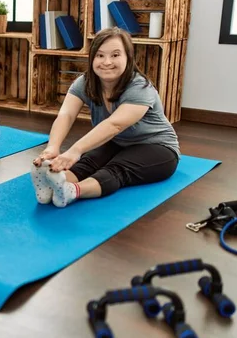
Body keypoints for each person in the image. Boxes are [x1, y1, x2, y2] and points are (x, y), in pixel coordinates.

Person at [31, 27, 180, 207]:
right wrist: (52, 147)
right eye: (100, 55)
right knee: (88, 162)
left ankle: (72, 192)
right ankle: (53, 182)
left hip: (157, 146)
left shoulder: (140, 87)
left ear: (128, 58)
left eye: (115, 55)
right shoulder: (85, 82)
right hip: (118, 142)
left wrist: (74, 150)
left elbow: (114, 125)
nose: (107, 62)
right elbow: (66, 115)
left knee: (116, 169)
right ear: (92, 58)